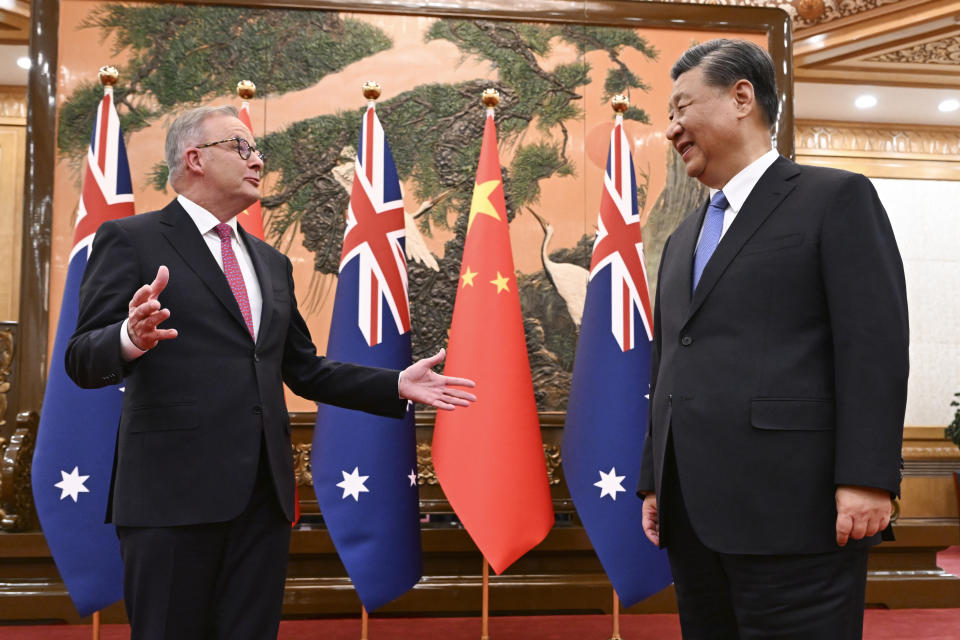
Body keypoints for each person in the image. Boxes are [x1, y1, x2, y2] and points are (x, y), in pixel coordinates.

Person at [64, 105, 476, 639]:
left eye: (257, 149)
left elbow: (303, 369)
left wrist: (394, 383)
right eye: (240, 147)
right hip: (171, 496)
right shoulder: (132, 239)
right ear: (195, 158)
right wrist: (127, 338)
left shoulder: (268, 261)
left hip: (263, 496)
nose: (257, 160)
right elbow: (81, 357)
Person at [637, 40, 908, 639]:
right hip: (692, 516)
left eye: (682, 107)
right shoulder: (683, 237)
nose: (671, 128)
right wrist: (655, 477)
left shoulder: (834, 198)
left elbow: (874, 347)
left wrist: (868, 476)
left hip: (797, 511)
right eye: (668, 116)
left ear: (741, 98)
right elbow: (668, 361)